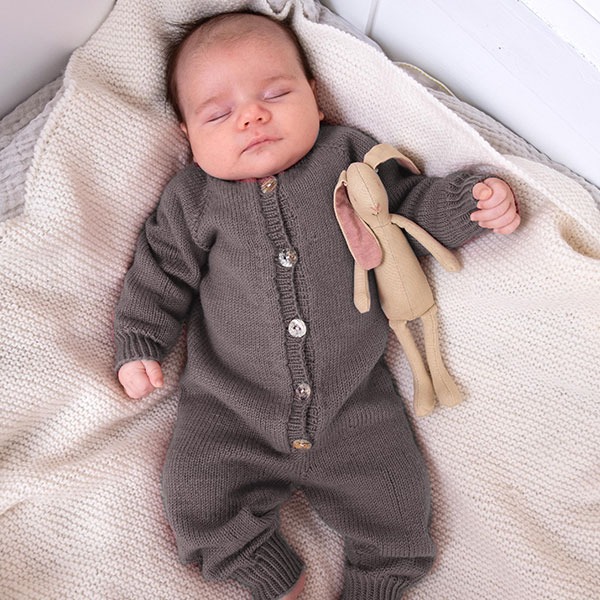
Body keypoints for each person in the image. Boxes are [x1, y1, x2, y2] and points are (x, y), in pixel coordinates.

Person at [114, 11, 520, 600]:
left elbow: (404, 214)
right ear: (187, 135)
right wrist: (140, 344)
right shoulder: (192, 199)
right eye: (219, 114)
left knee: (400, 509)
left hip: (353, 404)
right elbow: (159, 274)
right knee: (196, 495)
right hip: (230, 407)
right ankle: (268, 573)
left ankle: (374, 584)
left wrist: (469, 203)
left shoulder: (347, 158)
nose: (251, 116)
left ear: (315, 97)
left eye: (276, 94)